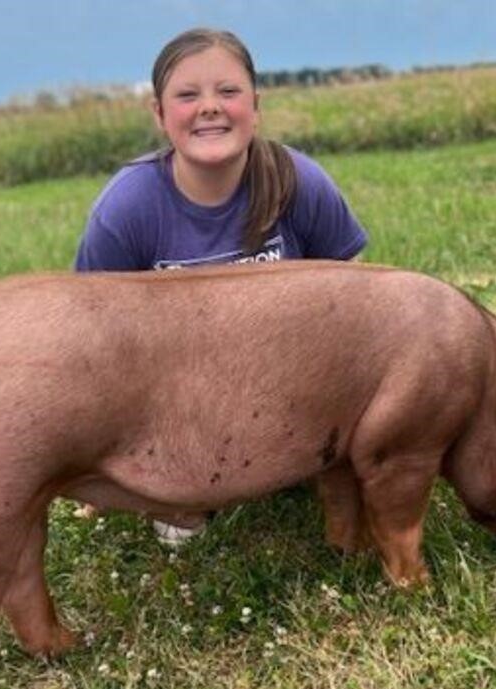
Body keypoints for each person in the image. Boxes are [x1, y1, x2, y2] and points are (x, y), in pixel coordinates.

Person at [74, 27, 368, 545]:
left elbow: (364, 306)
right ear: (159, 114)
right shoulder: (127, 207)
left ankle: (300, 467)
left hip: (294, 398)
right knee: (180, 522)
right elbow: (91, 343)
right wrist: (100, 465)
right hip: (177, 413)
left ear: (255, 106)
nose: (209, 107)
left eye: (228, 92)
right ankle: (176, 492)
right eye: (187, 95)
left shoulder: (299, 181)